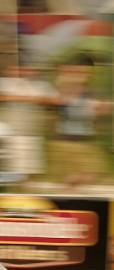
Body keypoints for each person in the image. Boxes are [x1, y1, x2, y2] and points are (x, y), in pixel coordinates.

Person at [48, 57, 112, 189]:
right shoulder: (63, 89)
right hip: (68, 140)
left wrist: (102, 108)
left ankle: (71, 191)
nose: (84, 75)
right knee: (72, 177)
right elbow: (69, 109)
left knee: (91, 175)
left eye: (86, 72)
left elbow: (95, 111)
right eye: (80, 72)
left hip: (85, 139)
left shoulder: (88, 91)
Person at [0, 62, 58, 177]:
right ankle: (11, 187)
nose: (23, 72)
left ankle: (25, 186)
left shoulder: (42, 84)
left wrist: (28, 99)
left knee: (30, 162)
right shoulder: (1, 82)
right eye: (18, 69)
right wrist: (22, 98)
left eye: (27, 69)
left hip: (31, 129)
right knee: (9, 161)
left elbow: (55, 100)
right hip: (9, 127)